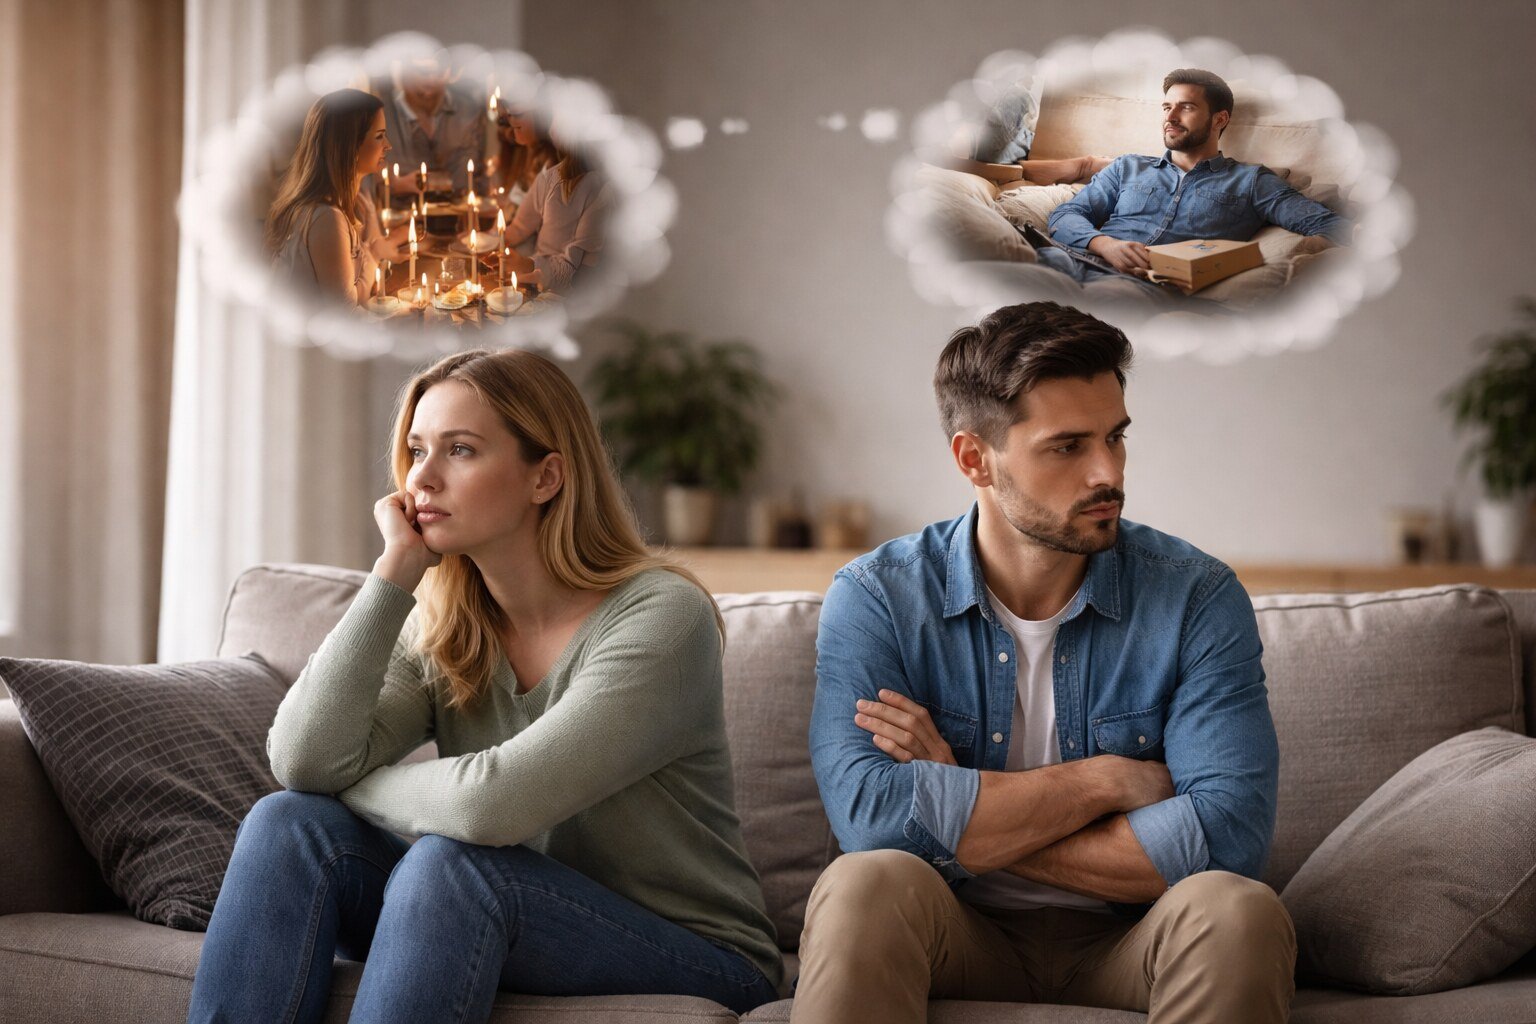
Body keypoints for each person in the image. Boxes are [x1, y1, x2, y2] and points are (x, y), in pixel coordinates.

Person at [187, 349, 782, 1023]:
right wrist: (391, 578)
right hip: (509, 907)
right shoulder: (450, 622)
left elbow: (493, 807)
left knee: (451, 865)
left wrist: (355, 783)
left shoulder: (663, 616)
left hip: (696, 952)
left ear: (546, 477)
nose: (423, 480)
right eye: (417, 450)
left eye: (461, 450)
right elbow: (301, 761)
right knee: (289, 823)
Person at [794, 302, 1293, 1023]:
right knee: (866, 884)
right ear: (975, 458)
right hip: (958, 936)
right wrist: (1107, 782)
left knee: (1237, 908)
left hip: (1131, 939)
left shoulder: (1197, 598)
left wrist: (961, 799)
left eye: (1115, 438)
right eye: (1067, 447)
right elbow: (873, 822)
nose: (1107, 472)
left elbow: (1227, 838)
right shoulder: (879, 598)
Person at [1039, 68, 1351, 284]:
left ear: (1220, 119)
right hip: (1067, 259)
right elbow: (1066, 215)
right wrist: (1103, 243)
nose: (1170, 118)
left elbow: (1327, 224)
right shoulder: (1128, 166)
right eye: (1166, 107)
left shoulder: (1252, 181)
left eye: (1185, 107)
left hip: (1138, 286)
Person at [267, 88, 405, 306]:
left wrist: (372, 232)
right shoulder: (326, 216)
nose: (388, 145)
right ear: (349, 146)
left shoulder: (346, 202)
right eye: (379, 136)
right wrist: (374, 255)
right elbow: (344, 309)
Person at [497, 116, 610, 296]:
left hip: (566, 294)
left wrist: (527, 265)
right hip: (536, 279)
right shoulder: (550, 176)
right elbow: (520, 226)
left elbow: (580, 270)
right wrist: (493, 246)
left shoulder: (601, 189)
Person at [378, 53, 487, 194]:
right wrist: (392, 183)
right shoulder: (382, 114)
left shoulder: (468, 111)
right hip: (400, 210)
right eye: (423, 71)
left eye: (439, 71)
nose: (431, 78)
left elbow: (477, 168)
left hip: (458, 210)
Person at [489, 101, 559, 210]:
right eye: (508, 115)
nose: (511, 120)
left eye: (518, 114)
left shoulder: (552, 166)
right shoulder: (525, 158)